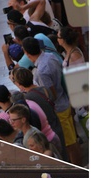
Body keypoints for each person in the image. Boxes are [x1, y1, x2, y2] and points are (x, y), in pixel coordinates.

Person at [22, 36, 81, 165]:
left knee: (70, 144)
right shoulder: (50, 56)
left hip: (59, 108)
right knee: (72, 140)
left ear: (26, 53)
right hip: (65, 101)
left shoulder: (42, 71)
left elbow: (51, 94)